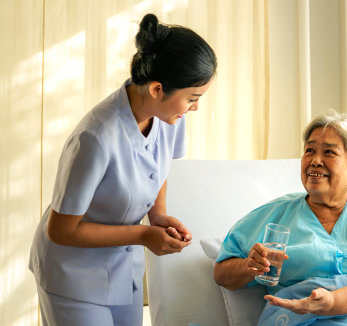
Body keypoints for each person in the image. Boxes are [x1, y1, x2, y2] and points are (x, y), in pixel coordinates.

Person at [29, 13, 217, 326]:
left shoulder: (169, 117)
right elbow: (61, 230)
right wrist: (144, 234)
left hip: (123, 270)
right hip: (71, 275)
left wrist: (157, 215)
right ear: (157, 89)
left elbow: (160, 165)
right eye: (192, 98)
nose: (195, 107)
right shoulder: (96, 138)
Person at [214, 112, 347, 320]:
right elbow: (222, 273)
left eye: (329, 152)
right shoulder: (275, 214)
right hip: (301, 318)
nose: (315, 160)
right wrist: (249, 266)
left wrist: (333, 302)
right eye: (309, 150)